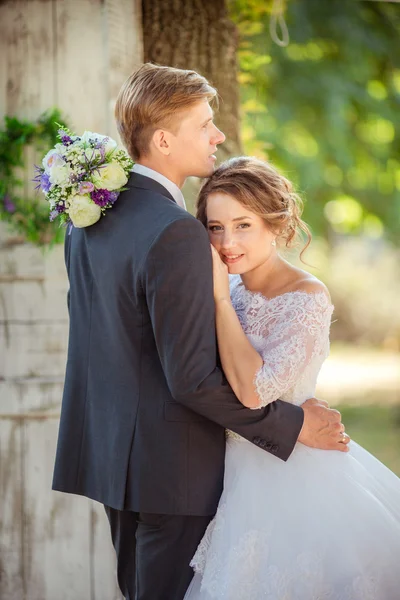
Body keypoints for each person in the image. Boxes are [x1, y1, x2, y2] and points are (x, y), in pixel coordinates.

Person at [52, 64, 348, 600]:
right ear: (164, 139)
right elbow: (190, 378)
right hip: (174, 468)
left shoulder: (90, 216)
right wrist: (293, 426)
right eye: (205, 124)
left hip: (112, 459)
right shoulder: (175, 232)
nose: (218, 135)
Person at [184, 156, 400, 600]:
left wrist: (221, 302)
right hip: (227, 469)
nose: (227, 242)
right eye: (215, 227)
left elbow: (253, 390)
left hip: (290, 473)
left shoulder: (306, 296)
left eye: (243, 225)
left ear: (276, 225)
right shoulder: (233, 286)